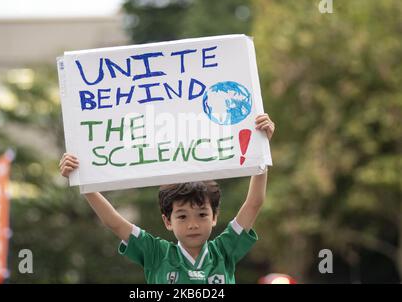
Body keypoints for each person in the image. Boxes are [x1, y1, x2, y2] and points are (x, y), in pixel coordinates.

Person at [60, 114, 275, 284]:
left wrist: (261, 150)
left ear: (214, 217)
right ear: (167, 221)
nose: (193, 224)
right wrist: (82, 181)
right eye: (182, 216)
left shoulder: (224, 251)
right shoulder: (156, 253)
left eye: (202, 214)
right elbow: (114, 221)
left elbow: (254, 203)